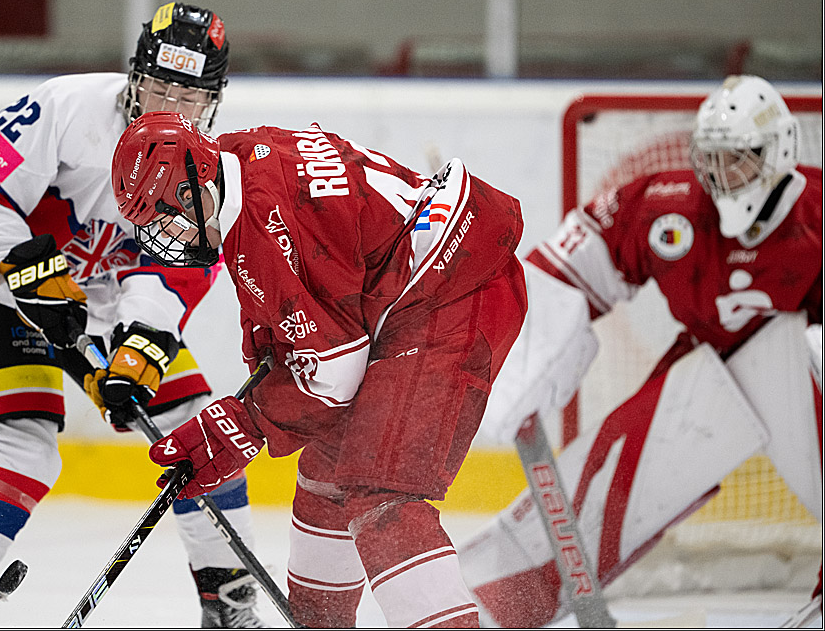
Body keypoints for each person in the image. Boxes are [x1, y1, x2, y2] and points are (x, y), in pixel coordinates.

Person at [0, 2, 271, 629]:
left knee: (197, 430)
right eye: (159, 85)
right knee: (25, 445)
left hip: (101, 307)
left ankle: (229, 606)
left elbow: (174, 275)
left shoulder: (209, 169)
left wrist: (139, 345)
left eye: (187, 95)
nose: (168, 106)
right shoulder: (70, 109)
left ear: (213, 99)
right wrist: (27, 270)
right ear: (135, 76)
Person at [107, 110, 529, 628]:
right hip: (409, 285)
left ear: (195, 189)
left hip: (452, 291)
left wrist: (248, 421)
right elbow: (304, 301)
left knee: (382, 494)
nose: (160, 235)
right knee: (326, 475)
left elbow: (335, 374)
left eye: (162, 216)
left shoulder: (264, 228)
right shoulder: (240, 156)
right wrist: (260, 390)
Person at [456, 75, 823, 627]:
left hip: (797, 368)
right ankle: (477, 600)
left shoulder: (817, 210)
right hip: (706, 366)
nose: (722, 178)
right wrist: (522, 344)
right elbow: (570, 264)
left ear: (780, 154)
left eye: (739, 161)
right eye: (712, 160)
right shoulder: (667, 205)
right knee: (613, 469)